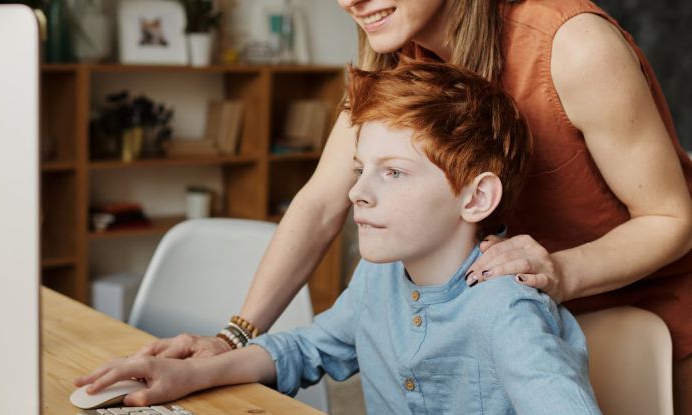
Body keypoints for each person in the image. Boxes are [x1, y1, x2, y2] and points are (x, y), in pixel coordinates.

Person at [97, 0, 692, 410]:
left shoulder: (573, 45)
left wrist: (559, 273)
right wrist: (229, 340)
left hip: (642, 314)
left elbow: (671, 218)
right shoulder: (400, 63)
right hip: (493, 302)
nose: (348, 0)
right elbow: (321, 202)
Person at [76, 61, 602, 413]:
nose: (357, 193)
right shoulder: (376, 278)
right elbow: (309, 348)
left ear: (475, 198)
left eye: (392, 172)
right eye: (359, 169)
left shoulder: (505, 310)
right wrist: (191, 377)